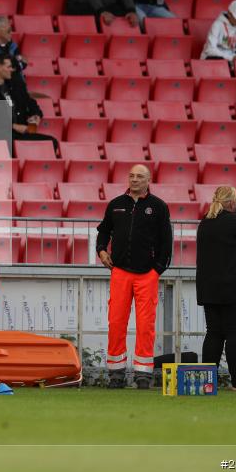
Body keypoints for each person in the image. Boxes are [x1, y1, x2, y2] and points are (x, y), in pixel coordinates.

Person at [96, 164, 173, 389]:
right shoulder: (116, 204)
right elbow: (103, 231)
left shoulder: (159, 207)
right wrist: (101, 250)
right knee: (116, 323)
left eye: (140, 176)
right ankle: (116, 373)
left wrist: (156, 270)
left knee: (145, 325)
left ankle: (143, 374)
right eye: (131, 175)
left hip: (147, 275)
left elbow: (166, 242)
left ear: (149, 180)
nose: (135, 179)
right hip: (119, 272)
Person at [196, 186, 236, 392]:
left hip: (210, 289)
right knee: (234, 335)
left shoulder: (205, 223)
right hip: (235, 289)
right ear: (233, 203)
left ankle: (207, 383)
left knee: (213, 334)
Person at [0, 56, 57, 149]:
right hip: (1, 137)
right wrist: (13, 126)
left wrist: (36, 116)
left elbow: (31, 103)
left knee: (51, 143)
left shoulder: (16, 85)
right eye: (9, 67)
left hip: (22, 135)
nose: (12, 69)